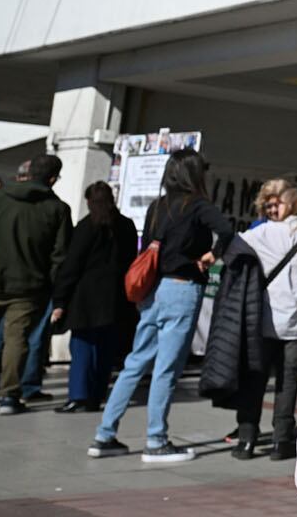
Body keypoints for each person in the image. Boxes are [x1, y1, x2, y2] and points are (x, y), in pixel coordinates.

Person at [90, 150, 235, 462]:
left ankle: (104, 435)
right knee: (166, 370)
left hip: (152, 292)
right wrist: (211, 255)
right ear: (195, 174)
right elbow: (227, 231)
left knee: (134, 364)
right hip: (181, 291)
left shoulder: (158, 206)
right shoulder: (197, 204)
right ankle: (156, 441)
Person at [232, 185, 297, 460]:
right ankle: (281, 440)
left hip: (264, 320)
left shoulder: (266, 232)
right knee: (288, 382)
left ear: (290, 206)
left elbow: (234, 246)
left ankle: (247, 439)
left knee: (256, 378)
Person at [0, 154, 71, 414]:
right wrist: (54, 287)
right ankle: (8, 396)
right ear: (52, 178)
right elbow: (60, 255)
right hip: (29, 286)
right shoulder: (56, 209)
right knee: (17, 340)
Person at [51, 181, 138, 414]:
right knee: (105, 350)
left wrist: (60, 300)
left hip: (85, 298)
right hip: (116, 298)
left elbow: (72, 266)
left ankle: (78, 395)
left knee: (82, 347)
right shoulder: (126, 226)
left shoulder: (86, 227)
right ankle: (96, 395)